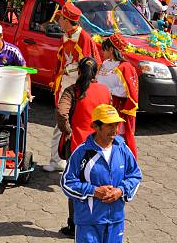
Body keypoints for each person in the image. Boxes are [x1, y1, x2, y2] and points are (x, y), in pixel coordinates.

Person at [61, 104, 142, 243]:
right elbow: (67, 183)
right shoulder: (82, 152)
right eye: (109, 125)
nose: (115, 130)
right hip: (88, 223)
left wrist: (121, 191)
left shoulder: (122, 148)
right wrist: (94, 191)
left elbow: (135, 175)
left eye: (116, 125)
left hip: (115, 221)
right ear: (95, 126)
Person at [56, 57, 112, 238]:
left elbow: (61, 112)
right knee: (98, 183)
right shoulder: (105, 91)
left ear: (79, 72)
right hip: (101, 145)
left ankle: (74, 226)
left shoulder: (72, 91)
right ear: (95, 73)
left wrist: (68, 130)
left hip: (77, 146)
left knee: (77, 186)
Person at [46, 1, 101, 173]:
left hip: (79, 87)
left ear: (68, 20)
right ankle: (56, 159)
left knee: (78, 124)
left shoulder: (83, 37)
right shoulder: (66, 35)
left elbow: (88, 64)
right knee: (60, 121)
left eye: (61, 18)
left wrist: (70, 71)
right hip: (65, 85)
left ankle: (79, 162)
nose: (58, 21)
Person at [98, 34, 138, 157]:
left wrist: (106, 90)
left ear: (111, 50)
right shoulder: (105, 63)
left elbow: (126, 91)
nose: (102, 52)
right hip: (101, 105)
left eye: (104, 49)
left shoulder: (125, 67)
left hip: (116, 108)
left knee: (115, 138)